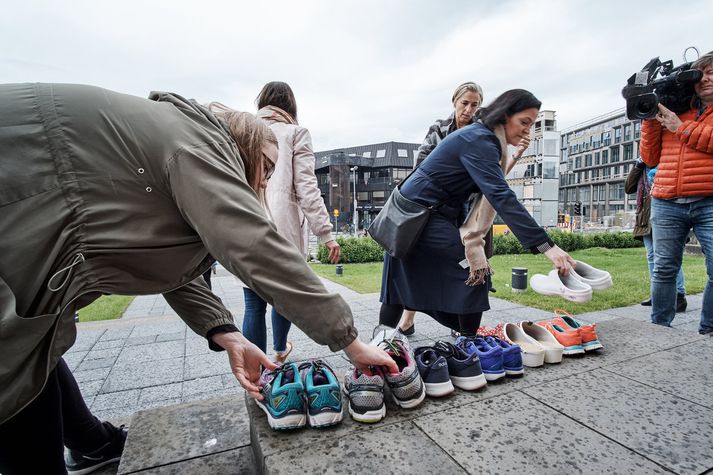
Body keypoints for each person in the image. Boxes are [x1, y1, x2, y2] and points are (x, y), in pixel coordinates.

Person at [0, 83, 397, 475]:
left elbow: (160, 262)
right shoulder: (199, 143)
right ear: (242, 147)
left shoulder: (178, 139)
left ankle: (90, 444)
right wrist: (351, 342)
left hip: (28, 196)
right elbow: (250, 240)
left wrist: (228, 334)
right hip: (21, 177)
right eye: (267, 169)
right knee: (10, 358)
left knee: (33, 337)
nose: (264, 183)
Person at [379, 89, 575, 336]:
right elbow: (500, 194)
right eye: (524, 122)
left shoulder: (483, 137)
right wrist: (547, 246)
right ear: (504, 116)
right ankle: (469, 347)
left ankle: (385, 347)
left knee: (399, 284)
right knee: (475, 271)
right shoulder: (480, 140)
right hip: (416, 216)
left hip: (418, 213)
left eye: (532, 124)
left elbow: (494, 186)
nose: (528, 130)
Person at [242, 81, 341, 362]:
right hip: (281, 226)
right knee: (282, 297)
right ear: (290, 106)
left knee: (253, 302)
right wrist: (325, 234)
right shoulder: (296, 133)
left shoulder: (243, 131)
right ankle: (279, 352)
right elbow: (307, 187)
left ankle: (257, 368)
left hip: (246, 220)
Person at [640, 51, 713, 335]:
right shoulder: (675, 108)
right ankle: (659, 328)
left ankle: (708, 330)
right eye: (701, 73)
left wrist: (680, 128)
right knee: (664, 269)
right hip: (668, 199)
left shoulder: (679, 120)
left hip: (709, 199)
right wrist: (650, 117)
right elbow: (649, 157)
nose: (705, 79)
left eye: (711, 73)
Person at [625, 160, 687, 311]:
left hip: (666, 214)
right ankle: (658, 295)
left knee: (668, 257)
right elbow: (629, 188)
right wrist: (638, 166)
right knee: (652, 256)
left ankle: (679, 296)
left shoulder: (667, 160)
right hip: (646, 218)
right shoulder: (641, 167)